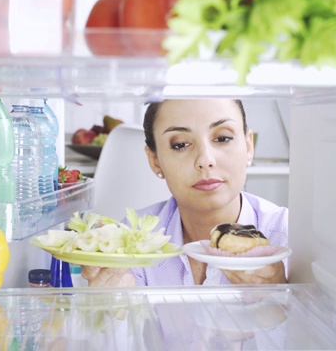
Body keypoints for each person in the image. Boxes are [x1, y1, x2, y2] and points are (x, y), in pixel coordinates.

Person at [82, 98, 288, 287]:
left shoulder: (291, 237)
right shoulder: (131, 241)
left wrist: (281, 298)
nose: (205, 160)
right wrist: (112, 307)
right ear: (155, 161)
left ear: (248, 146)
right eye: (180, 144)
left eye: (223, 138)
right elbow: (110, 322)